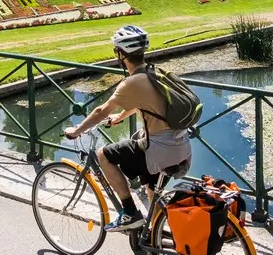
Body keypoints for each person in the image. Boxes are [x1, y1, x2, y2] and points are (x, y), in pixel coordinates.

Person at [64, 25, 191, 232]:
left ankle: (129, 213)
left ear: (121, 54)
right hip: (181, 147)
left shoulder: (132, 82)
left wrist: (76, 131)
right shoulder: (155, 73)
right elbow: (145, 103)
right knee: (152, 191)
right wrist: (121, 117)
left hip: (158, 150)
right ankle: (158, 237)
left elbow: (100, 111)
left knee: (103, 154)